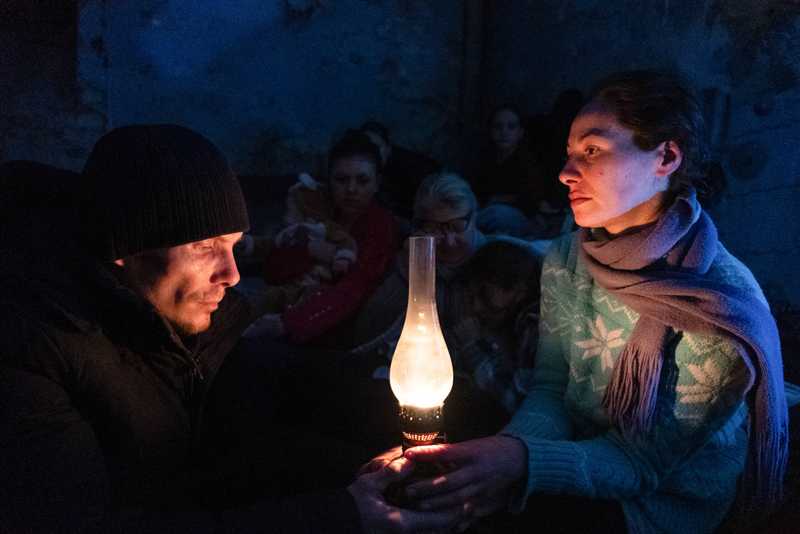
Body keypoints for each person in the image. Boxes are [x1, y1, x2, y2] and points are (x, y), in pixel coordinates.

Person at [0, 124, 467, 533]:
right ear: (127, 247)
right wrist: (340, 516)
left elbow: (278, 394)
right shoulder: (31, 355)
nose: (232, 273)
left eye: (234, 245)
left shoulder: (192, 327)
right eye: (205, 246)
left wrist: (458, 437)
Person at [395, 71, 789, 534]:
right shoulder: (570, 254)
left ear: (666, 156)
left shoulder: (720, 307)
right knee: (430, 494)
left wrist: (519, 462)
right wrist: (501, 461)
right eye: (569, 154)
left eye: (592, 151)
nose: (565, 173)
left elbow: (639, 463)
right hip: (577, 450)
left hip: (657, 502)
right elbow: (551, 390)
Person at [351, 172, 542, 443]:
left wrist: (472, 347)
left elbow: (520, 390)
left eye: (456, 226)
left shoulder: (510, 265)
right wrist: (407, 277)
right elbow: (367, 337)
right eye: (436, 229)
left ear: (474, 218)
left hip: (479, 401)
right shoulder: (415, 267)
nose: (449, 241)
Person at [244, 130, 398, 347]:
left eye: (362, 180)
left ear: (377, 183)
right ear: (329, 180)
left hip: (338, 328)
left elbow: (356, 288)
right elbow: (273, 268)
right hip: (290, 301)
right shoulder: (314, 209)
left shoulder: (380, 224)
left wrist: (287, 324)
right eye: (342, 180)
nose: (351, 189)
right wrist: (312, 250)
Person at [472, 105, 546, 237]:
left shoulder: (528, 164)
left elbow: (532, 201)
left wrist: (501, 200)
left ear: (520, 132)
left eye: (511, 127)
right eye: (498, 127)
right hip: (485, 217)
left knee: (496, 214)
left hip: (520, 221)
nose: (504, 132)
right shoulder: (484, 161)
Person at [360, 120, 441, 221]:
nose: (372, 152)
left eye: (376, 147)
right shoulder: (367, 171)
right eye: (366, 148)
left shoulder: (413, 169)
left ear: (388, 148)